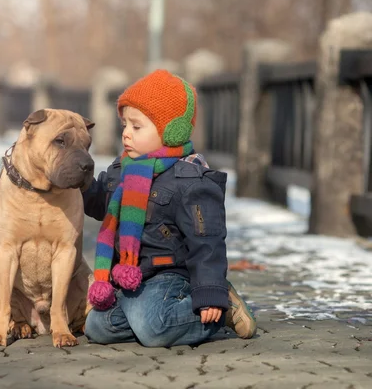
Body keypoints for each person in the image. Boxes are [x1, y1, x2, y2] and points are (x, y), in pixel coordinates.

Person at [82, 69, 256, 347]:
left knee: (153, 329)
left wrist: (209, 291)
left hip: (173, 274)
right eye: (125, 124)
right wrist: (79, 183)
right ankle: (149, 317)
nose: (126, 134)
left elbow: (207, 242)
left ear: (171, 131)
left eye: (137, 127)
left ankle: (219, 309)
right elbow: (99, 203)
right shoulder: (121, 170)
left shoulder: (189, 179)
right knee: (97, 328)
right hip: (132, 276)